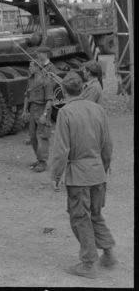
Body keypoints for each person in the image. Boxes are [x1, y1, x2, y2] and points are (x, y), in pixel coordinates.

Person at [51, 71, 116, 279]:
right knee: (95, 215)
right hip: (98, 172)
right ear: (82, 88)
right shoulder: (98, 109)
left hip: (78, 176)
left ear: (63, 90)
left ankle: (88, 264)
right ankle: (108, 252)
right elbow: (108, 144)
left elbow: (61, 149)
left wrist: (56, 175)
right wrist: (104, 167)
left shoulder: (65, 113)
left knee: (80, 218)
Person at [22, 54, 54, 172]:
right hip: (33, 109)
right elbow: (27, 96)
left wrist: (44, 115)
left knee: (42, 137)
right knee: (32, 136)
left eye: (31, 66)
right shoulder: (30, 79)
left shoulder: (46, 80)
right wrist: (25, 110)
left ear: (37, 66)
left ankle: (43, 162)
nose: (29, 68)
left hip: (42, 109)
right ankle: (39, 159)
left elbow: (50, 100)